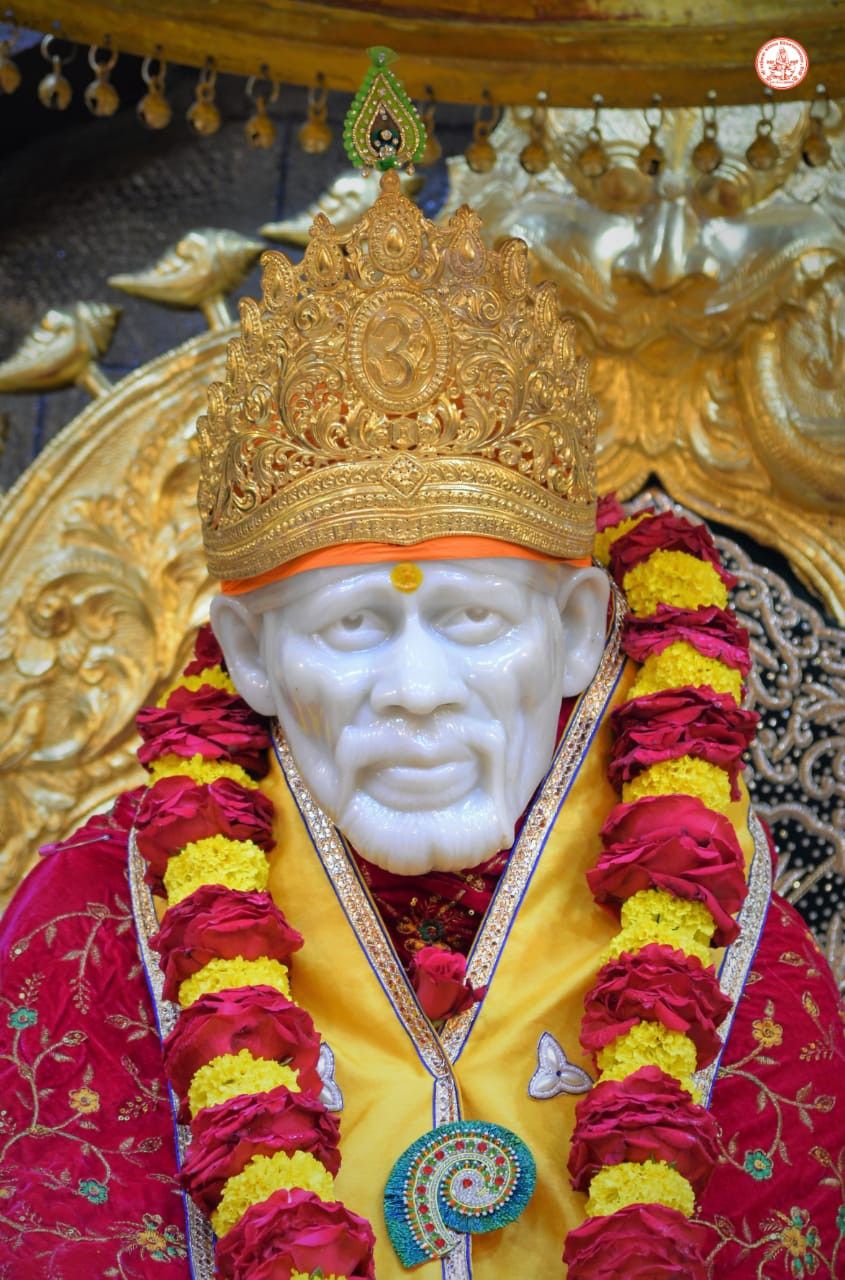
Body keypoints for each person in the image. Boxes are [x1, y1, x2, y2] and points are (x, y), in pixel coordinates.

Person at [1, 171, 843, 1280]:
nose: (417, 686)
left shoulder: (728, 940)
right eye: (351, 623)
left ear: (581, 631)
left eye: (473, 617)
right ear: (249, 650)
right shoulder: (90, 928)